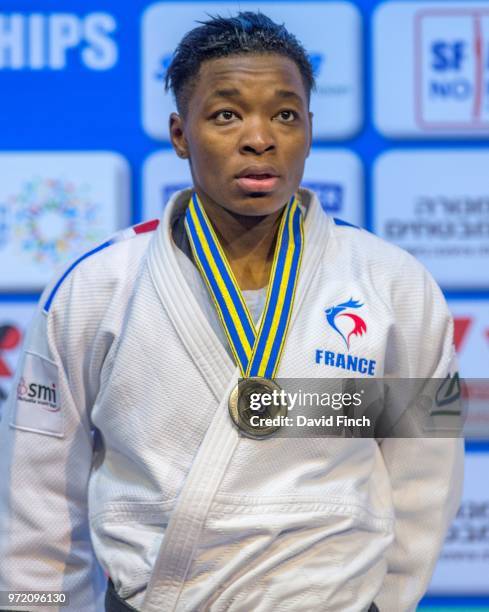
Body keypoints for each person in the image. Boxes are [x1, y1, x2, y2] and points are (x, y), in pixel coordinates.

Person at [0, 12, 463, 612]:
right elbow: (39, 497)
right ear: (179, 134)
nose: (260, 137)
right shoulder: (96, 287)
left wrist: (386, 602)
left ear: (309, 130)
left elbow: (427, 469)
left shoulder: (395, 282)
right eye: (226, 114)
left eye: (285, 114)